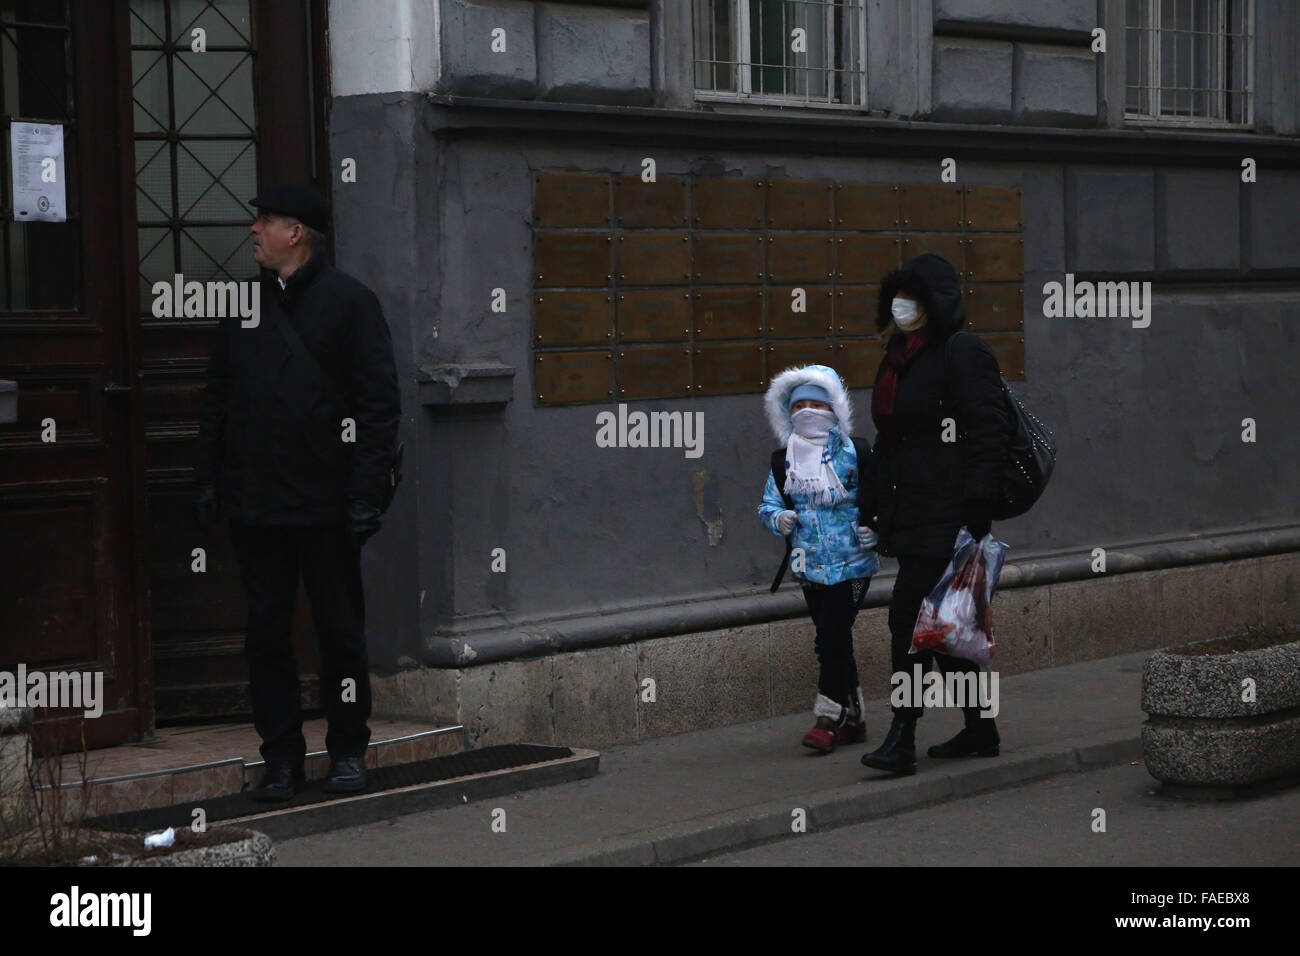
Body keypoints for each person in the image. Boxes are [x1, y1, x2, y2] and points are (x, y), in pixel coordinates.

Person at [193, 183, 400, 801]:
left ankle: (346, 751)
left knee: (338, 631)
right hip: (258, 505)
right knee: (266, 635)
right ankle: (281, 757)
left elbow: (378, 407)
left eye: (266, 221)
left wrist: (365, 495)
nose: (254, 231)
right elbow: (218, 401)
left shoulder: (350, 303)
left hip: (327, 503)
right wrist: (208, 478)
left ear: (297, 234)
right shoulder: (244, 307)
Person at [858, 253, 1013, 776]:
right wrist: (874, 507)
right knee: (944, 624)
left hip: (948, 514)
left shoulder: (960, 351)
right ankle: (980, 726)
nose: (903, 307)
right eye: (899, 297)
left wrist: (977, 509)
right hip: (909, 509)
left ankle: (902, 736)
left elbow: (989, 431)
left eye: (915, 298)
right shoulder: (899, 355)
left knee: (908, 619)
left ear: (936, 303)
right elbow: (890, 439)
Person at [758, 364, 880, 753]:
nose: (807, 412)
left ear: (833, 408)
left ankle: (827, 717)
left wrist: (875, 529)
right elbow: (767, 505)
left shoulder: (855, 452)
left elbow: (879, 501)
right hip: (808, 567)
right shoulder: (784, 460)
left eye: (816, 403)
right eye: (799, 406)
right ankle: (856, 720)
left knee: (831, 636)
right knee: (834, 638)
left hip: (854, 566)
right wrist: (779, 518)